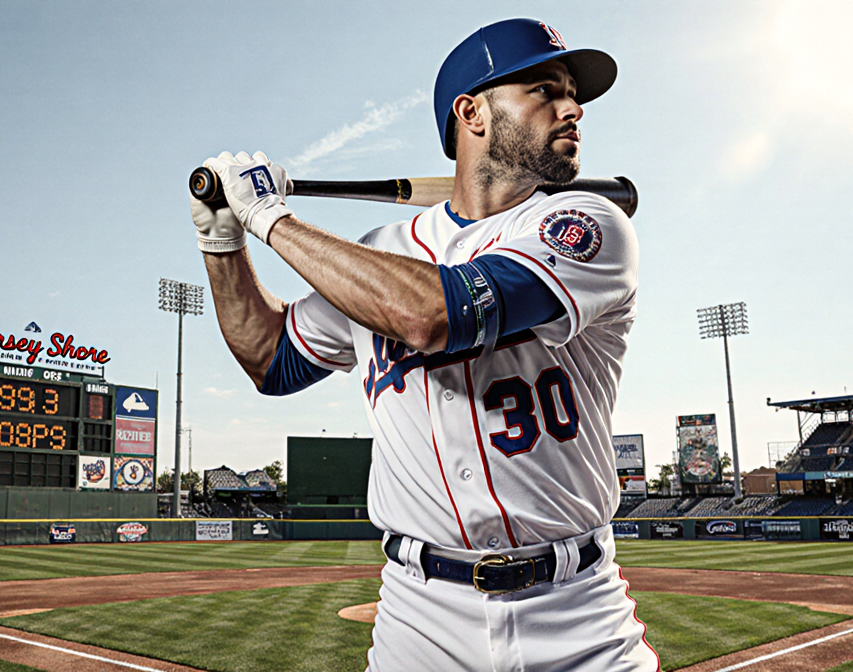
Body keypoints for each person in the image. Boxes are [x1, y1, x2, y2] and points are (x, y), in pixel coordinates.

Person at [190, 18, 657, 672]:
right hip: (419, 615)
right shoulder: (379, 255)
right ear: (472, 113)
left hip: (573, 612)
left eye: (573, 95)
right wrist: (222, 242)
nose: (573, 109)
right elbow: (271, 360)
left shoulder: (586, 222)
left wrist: (270, 219)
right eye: (545, 90)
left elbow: (435, 314)